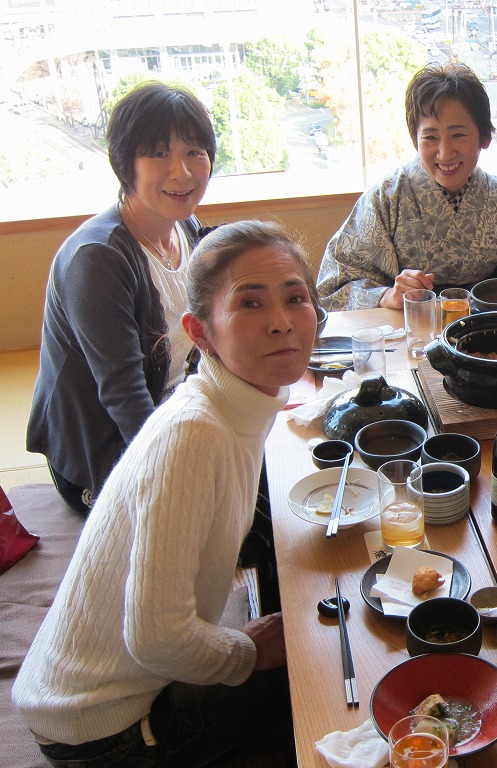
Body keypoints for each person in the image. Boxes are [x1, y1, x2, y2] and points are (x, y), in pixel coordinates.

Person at [13, 220, 317, 767]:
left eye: (296, 298)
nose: (281, 322)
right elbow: (156, 637)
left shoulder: (233, 404)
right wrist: (245, 651)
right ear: (200, 332)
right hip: (101, 731)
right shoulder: (194, 433)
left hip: (105, 692)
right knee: (329, 684)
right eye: (250, 303)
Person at [27, 81, 216, 516]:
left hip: (172, 411)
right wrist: (175, 477)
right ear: (125, 163)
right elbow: (125, 396)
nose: (182, 172)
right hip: (105, 450)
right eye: (158, 153)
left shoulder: (185, 229)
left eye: (194, 151)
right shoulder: (98, 259)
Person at [316, 63, 497, 311]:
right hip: (410, 327)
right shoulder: (385, 199)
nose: (445, 153)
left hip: (487, 327)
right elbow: (332, 290)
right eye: (430, 137)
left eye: (458, 135)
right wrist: (387, 296)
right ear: (415, 139)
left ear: (484, 137)